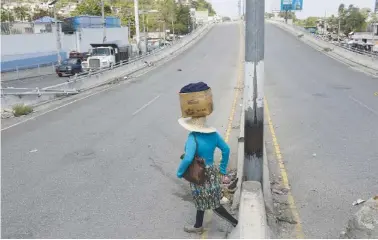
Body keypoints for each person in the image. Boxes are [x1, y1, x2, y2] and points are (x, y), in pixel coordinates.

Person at [176, 116, 238, 233]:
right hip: (212, 172)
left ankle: (235, 222)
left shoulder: (192, 137)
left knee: (206, 201)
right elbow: (226, 149)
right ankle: (198, 226)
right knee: (208, 200)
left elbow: (188, 158)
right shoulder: (214, 135)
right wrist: (222, 169)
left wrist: (180, 172)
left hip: (199, 174)